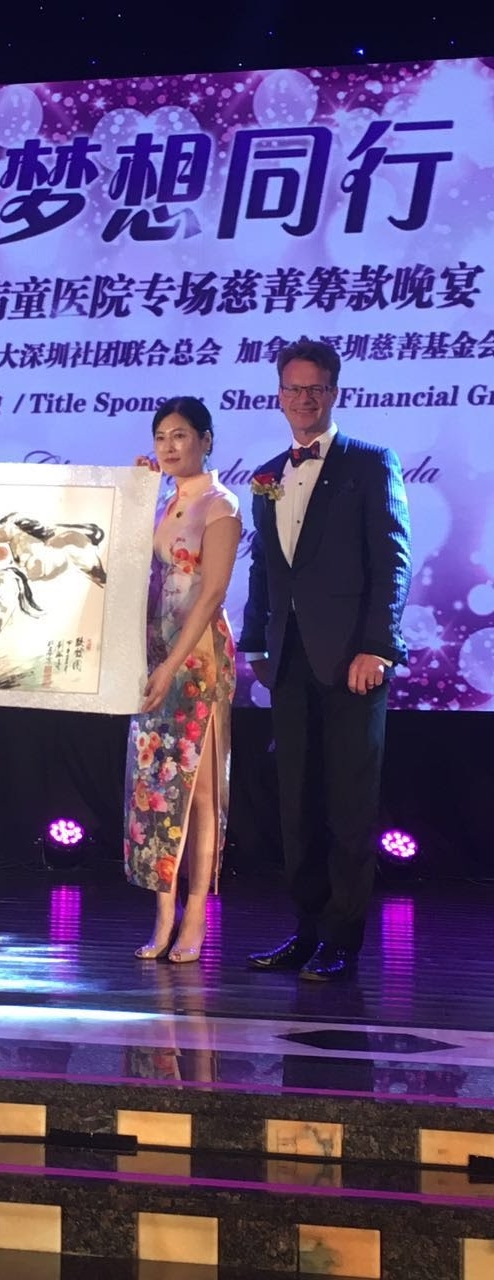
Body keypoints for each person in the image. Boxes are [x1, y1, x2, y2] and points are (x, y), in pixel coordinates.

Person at [239, 339, 411, 982]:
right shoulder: (267, 475)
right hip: (287, 661)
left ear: (334, 392)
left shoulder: (370, 462)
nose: (304, 399)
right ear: (279, 396)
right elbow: (265, 568)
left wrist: (378, 646)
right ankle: (307, 929)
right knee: (297, 805)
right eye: (294, 388)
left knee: (348, 806)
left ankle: (342, 938)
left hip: (352, 663)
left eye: (315, 388)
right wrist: (255, 642)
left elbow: (392, 560)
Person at [125, 397, 242, 963]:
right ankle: (163, 912)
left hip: (197, 661)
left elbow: (212, 592)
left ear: (206, 440)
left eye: (181, 435)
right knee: (155, 789)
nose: (170, 446)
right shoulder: (160, 503)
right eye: (161, 437)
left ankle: (196, 911)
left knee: (198, 794)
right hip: (152, 657)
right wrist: (135, 494)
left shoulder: (221, 505)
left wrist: (171, 663)